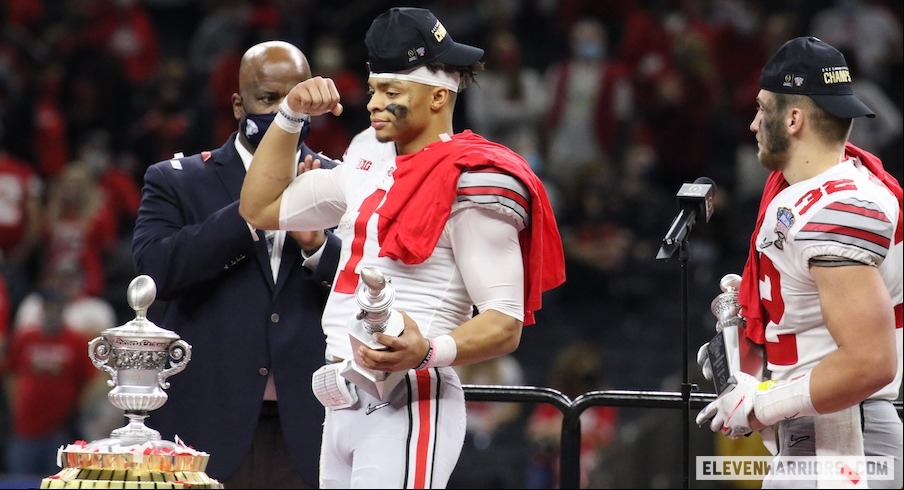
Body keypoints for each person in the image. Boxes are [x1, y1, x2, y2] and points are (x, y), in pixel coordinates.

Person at [239, 7, 566, 488]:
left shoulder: (472, 175)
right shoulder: (365, 156)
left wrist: (429, 349)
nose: (374, 103)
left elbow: (504, 322)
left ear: (438, 95)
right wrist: (288, 117)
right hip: (343, 394)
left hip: (412, 393)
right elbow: (261, 207)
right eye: (374, 89)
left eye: (391, 92)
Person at [131, 40, 341, 489]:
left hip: (313, 426)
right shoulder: (176, 180)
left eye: (295, 99)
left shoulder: (339, 182)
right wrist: (250, 213)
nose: (284, 113)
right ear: (238, 104)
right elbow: (153, 272)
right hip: (206, 423)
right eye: (269, 99)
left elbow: (373, 290)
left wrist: (319, 249)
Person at [695, 36, 903, 489]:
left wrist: (759, 404)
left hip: (843, 445)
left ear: (793, 118)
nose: (752, 123)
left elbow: (871, 362)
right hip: (816, 439)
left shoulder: (837, 206)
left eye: (761, 108)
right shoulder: (826, 191)